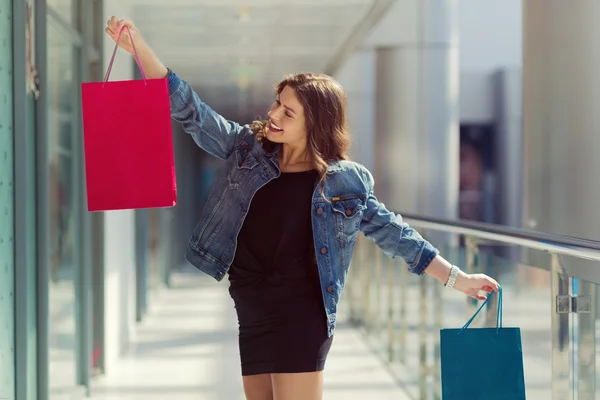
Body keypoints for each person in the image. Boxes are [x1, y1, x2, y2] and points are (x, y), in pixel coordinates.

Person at [105, 17, 501, 400]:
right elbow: (192, 112)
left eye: (287, 112)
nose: (273, 115)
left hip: (302, 313)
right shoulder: (248, 150)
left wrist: (458, 278)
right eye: (277, 104)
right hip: (251, 305)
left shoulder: (344, 181)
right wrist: (139, 49)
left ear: (316, 124)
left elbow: (395, 234)